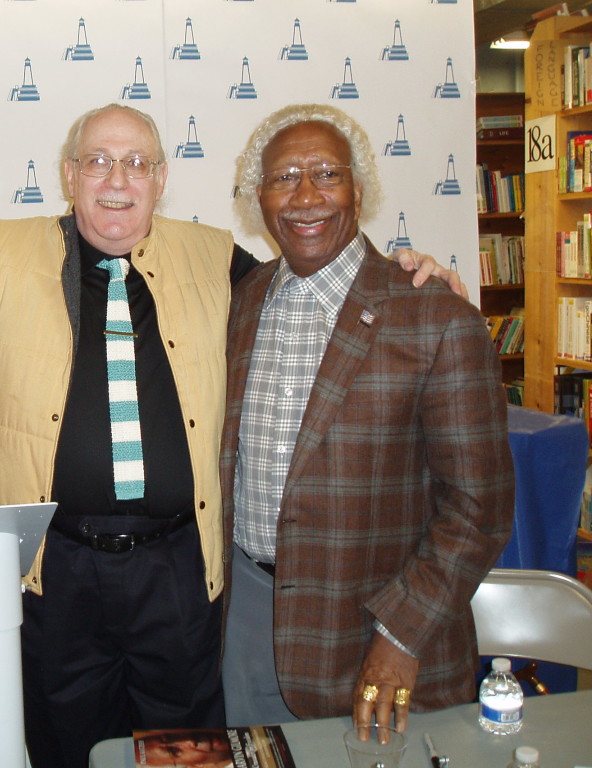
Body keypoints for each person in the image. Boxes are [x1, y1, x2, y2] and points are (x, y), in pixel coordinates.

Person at [0, 104, 457, 767]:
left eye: (137, 164)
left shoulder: (216, 258)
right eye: (98, 162)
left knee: (189, 750)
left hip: (180, 569)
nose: (118, 181)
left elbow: (314, 278)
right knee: (66, 746)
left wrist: (405, 274)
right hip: (56, 573)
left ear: (162, 180)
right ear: (69, 175)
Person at [220, 104, 514, 740]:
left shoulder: (436, 318)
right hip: (246, 621)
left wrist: (402, 631)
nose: (305, 196)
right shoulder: (242, 301)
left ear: (360, 189)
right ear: (258, 197)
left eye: (327, 173)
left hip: (375, 632)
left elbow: (480, 507)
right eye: (283, 177)